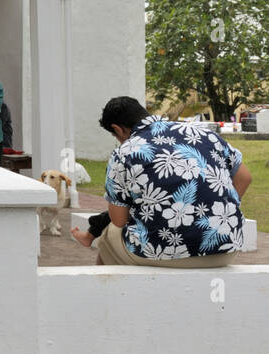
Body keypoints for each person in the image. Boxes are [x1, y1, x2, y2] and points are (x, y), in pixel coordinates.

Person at [72, 96, 252, 267]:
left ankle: (108, 297)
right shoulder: (203, 134)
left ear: (118, 129)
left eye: (115, 136)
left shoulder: (123, 153)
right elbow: (245, 178)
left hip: (162, 254)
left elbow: (119, 220)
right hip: (225, 249)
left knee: (108, 235)